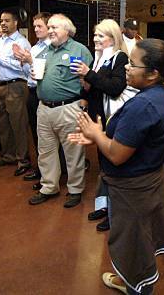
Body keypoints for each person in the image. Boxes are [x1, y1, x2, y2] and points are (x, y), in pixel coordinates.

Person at [69, 38, 164, 295]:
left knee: (135, 244)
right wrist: (100, 136)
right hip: (147, 182)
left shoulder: (144, 104)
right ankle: (132, 281)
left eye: (132, 64)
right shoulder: (157, 94)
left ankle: (138, 288)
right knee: (139, 240)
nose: (127, 69)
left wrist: (97, 134)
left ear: (153, 73)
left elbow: (118, 155)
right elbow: (131, 140)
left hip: (134, 189)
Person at [28, 13, 93, 207]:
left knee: (73, 152)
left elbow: (91, 79)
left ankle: (75, 189)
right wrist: (34, 73)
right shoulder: (45, 51)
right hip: (44, 108)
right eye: (49, 27)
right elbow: (40, 76)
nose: (50, 30)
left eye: (55, 27)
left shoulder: (79, 50)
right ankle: (49, 186)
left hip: (69, 108)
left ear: (67, 30)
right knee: (45, 151)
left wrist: (85, 99)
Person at [71, 19, 129, 232]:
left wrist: (89, 74)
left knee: (112, 165)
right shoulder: (98, 58)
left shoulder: (119, 58)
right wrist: (84, 85)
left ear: (113, 38)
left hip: (111, 119)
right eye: (95, 35)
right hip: (97, 118)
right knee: (103, 165)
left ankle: (115, 213)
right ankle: (105, 207)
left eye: (100, 36)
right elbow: (93, 87)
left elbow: (115, 87)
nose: (95, 39)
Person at [0, 9, 32, 175]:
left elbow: (22, 68)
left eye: (7, 21)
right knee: (2, 124)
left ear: (15, 23)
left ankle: (23, 160)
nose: (3, 24)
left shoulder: (22, 42)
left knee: (18, 124)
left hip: (16, 86)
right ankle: (8, 156)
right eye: (1, 21)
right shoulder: (0, 41)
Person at [13, 12, 52, 179]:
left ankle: (52, 170)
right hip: (32, 93)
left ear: (49, 27)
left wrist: (30, 61)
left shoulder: (52, 48)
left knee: (48, 136)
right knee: (36, 133)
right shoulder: (35, 48)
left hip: (44, 92)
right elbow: (29, 73)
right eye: (34, 26)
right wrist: (24, 62)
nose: (35, 29)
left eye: (39, 26)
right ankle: (41, 168)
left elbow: (44, 73)